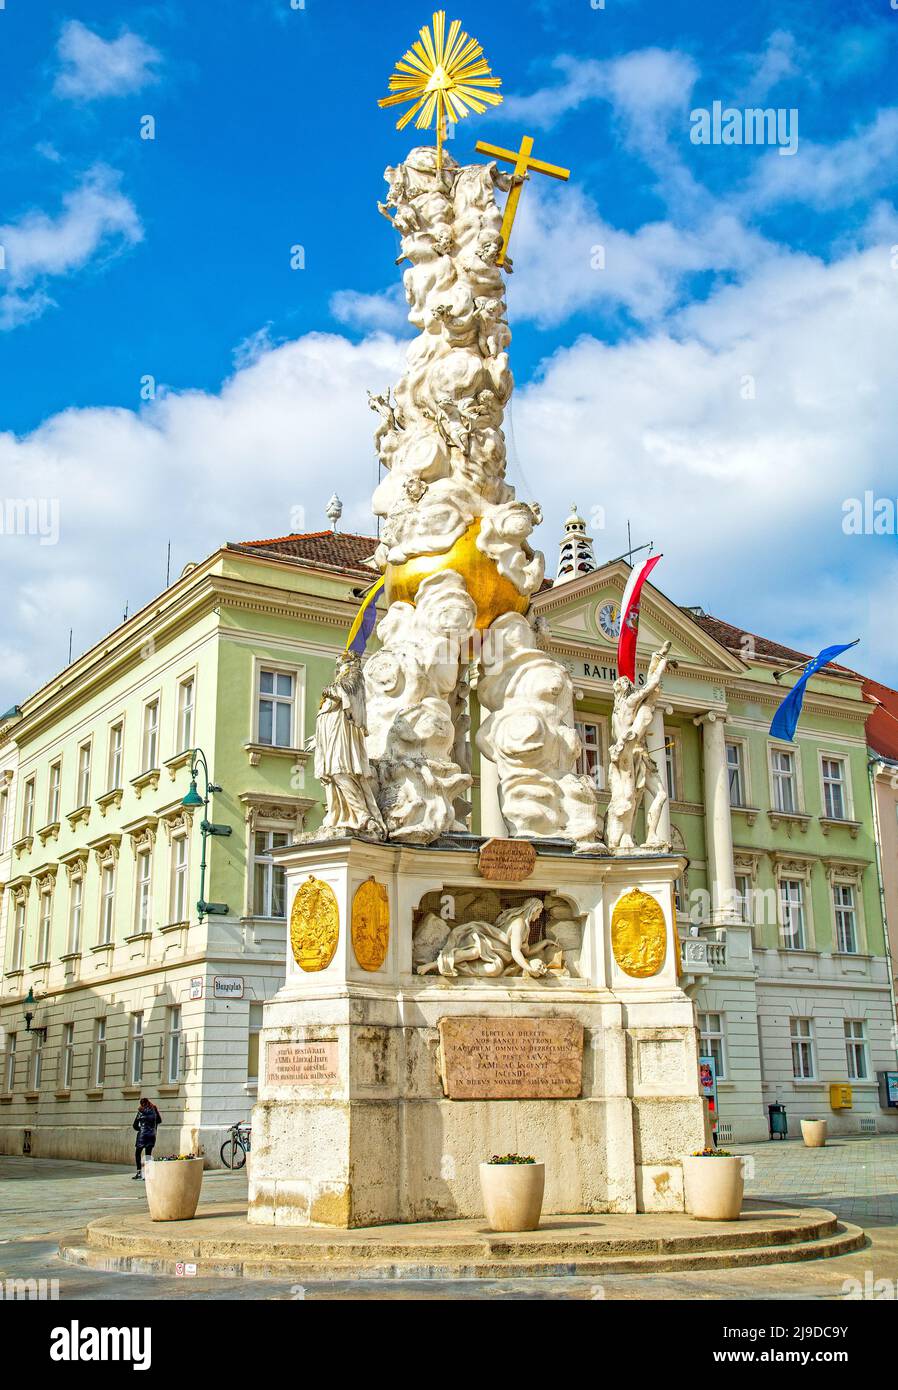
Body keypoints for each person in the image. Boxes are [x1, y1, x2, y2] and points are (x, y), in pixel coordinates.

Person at [132, 1097, 162, 1179]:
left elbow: (134, 1125)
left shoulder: (140, 1111)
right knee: (148, 1154)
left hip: (142, 1135)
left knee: (138, 1153)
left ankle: (139, 1172)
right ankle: (147, 1173)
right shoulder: (154, 1110)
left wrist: (140, 1129)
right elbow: (159, 1120)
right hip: (151, 1135)